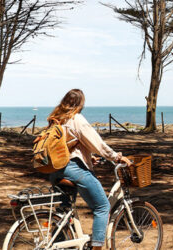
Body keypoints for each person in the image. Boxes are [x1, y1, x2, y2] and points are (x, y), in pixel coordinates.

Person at [48, 89, 132, 250]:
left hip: (56, 169)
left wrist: (87, 156)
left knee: (64, 213)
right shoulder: (76, 119)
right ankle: (97, 248)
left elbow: (66, 146)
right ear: (80, 104)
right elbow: (97, 143)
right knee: (102, 207)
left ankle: (55, 244)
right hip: (73, 169)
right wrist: (116, 157)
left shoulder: (57, 119)